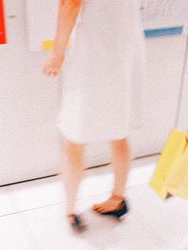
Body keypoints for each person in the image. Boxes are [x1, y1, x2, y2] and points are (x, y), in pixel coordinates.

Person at [43, 0, 146, 231]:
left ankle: (70, 210)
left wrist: (57, 53)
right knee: (120, 131)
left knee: (74, 137)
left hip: (95, 53)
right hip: (127, 48)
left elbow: (70, 3)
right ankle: (118, 199)